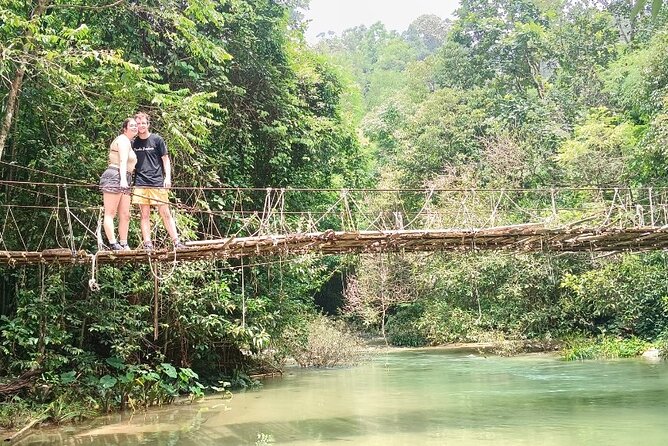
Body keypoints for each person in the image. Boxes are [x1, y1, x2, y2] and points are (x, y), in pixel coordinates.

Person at [131, 111, 183, 250]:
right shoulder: (133, 142)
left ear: (148, 124)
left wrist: (168, 177)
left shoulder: (157, 139)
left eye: (143, 123)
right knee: (144, 215)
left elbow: (165, 160)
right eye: (138, 123)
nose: (141, 126)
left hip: (157, 181)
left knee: (165, 212)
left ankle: (176, 241)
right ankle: (148, 243)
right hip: (140, 182)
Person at [99, 117, 138, 251]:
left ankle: (123, 243)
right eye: (132, 125)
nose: (135, 127)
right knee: (110, 212)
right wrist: (122, 180)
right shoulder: (122, 140)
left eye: (136, 125)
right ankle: (113, 243)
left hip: (125, 177)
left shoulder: (129, 142)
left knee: (125, 214)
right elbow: (122, 160)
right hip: (116, 175)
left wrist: (125, 180)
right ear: (125, 128)